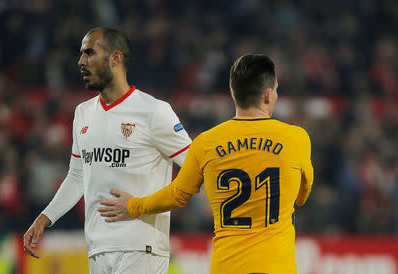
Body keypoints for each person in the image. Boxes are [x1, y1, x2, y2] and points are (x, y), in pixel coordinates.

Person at [98, 54, 314, 274]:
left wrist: (134, 206)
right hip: (277, 267)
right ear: (268, 95)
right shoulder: (296, 139)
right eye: (276, 90)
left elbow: (177, 195)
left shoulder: (206, 143)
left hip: (227, 266)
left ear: (233, 94)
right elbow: (302, 196)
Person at [23, 27, 192, 274]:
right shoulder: (83, 114)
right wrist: (45, 218)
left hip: (141, 247)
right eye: (81, 54)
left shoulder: (154, 111)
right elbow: (78, 176)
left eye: (89, 53)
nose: (81, 61)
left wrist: (142, 205)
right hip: (97, 248)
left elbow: (196, 166)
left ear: (115, 58)